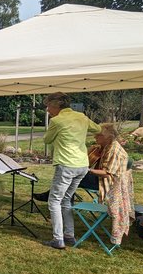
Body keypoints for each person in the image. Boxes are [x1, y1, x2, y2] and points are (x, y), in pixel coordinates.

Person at [41, 92, 101, 250]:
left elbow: (47, 139)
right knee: (66, 200)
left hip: (66, 164)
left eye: (48, 106)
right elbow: (98, 129)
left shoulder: (56, 120)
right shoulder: (82, 117)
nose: (47, 110)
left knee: (54, 201)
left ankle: (58, 239)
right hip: (82, 165)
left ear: (57, 105)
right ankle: (69, 235)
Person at [90, 124, 135, 245]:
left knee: (70, 178)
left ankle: (63, 209)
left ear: (107, 137)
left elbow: (107, 173)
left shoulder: (114, 150)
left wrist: (87, 170)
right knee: (70, 178)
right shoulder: (108, 146)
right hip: (109, 180)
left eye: (98, 135)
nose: (95, 137)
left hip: (109, 183)